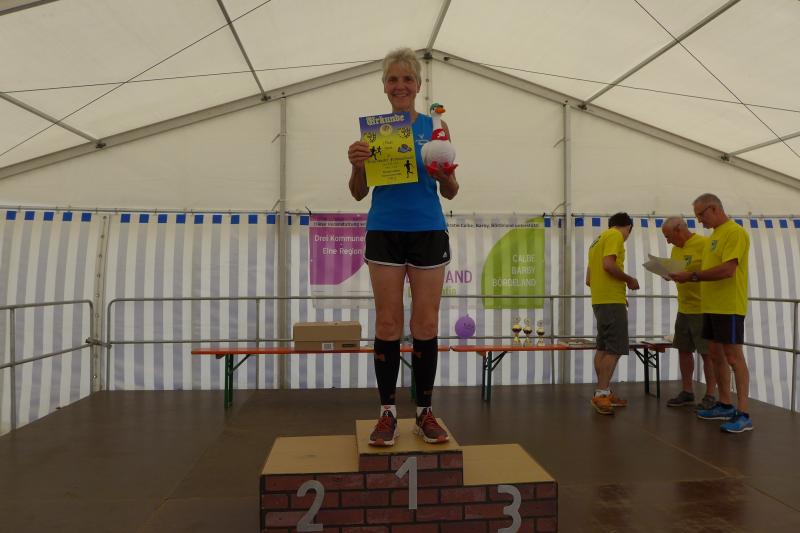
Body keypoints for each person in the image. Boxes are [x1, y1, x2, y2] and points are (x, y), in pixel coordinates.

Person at [347, 48, 459, 446]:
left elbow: (451, 190)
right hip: (385, 230)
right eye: (392, 79)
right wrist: (357, 166)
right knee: (388, 324)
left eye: (407, 79)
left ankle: (425, 412)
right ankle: (387, 414)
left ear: (418, 85)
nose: (400, 85)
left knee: (426, 325)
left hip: (428, 230)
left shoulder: (436, 127)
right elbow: (358, 193)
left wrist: (444, 175)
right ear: (384, 86)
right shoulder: (374, 132)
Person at [671, 194, 752, 433]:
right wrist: (684, 275)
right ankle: (725, 403)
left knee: (734, 357)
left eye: (701, 215)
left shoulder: (735, 233)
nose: (699, 220)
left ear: (714, 208)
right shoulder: (714, 236)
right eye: (696, 216)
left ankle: (743, 413)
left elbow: (728, 270)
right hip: (710, 306)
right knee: (715, 354)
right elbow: (707, 268)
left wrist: (693, 276)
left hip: (729, 305)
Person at [586, 212, 640, 415]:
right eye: (629, 233)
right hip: (611, 301)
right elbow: (609, 265)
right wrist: (629, 280)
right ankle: (601, 394)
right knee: (615, 348)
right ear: (628, 227)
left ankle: (604, 391)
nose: (626, 237)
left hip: (600, 300)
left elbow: (589, 279)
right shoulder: (615, 236)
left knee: (603, 347)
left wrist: (615, 292)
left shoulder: (596, 241)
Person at [662, 217, 717, 410]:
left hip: (703, 307)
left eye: (668, 236)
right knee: (683, 349)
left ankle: (710, 394)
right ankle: (687, 391)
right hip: (684, 307)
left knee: (707, 353)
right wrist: (670, 275)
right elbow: (678, 270)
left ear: (679, 230)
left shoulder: (704, 244)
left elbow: (713, 271)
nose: (668, 241)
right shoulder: (675, 249)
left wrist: (691, 276)